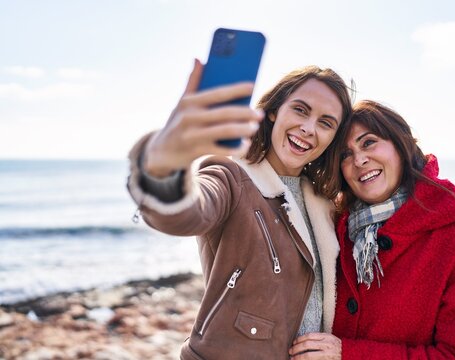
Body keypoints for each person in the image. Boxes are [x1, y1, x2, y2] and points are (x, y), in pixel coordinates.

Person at [126, 59, 353, 359]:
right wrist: (167, 160)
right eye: (300, 109)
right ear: (273, 112)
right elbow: (186, 212)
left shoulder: (327, 206)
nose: (309, 128)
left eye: (326, 123)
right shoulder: (231, 177)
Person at [289, 100, 455, 359]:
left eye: (368, 142)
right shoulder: (333, 229)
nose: (360, 160)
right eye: (345, 155)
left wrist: (349, 355)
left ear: (401, 146)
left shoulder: (454, 238)